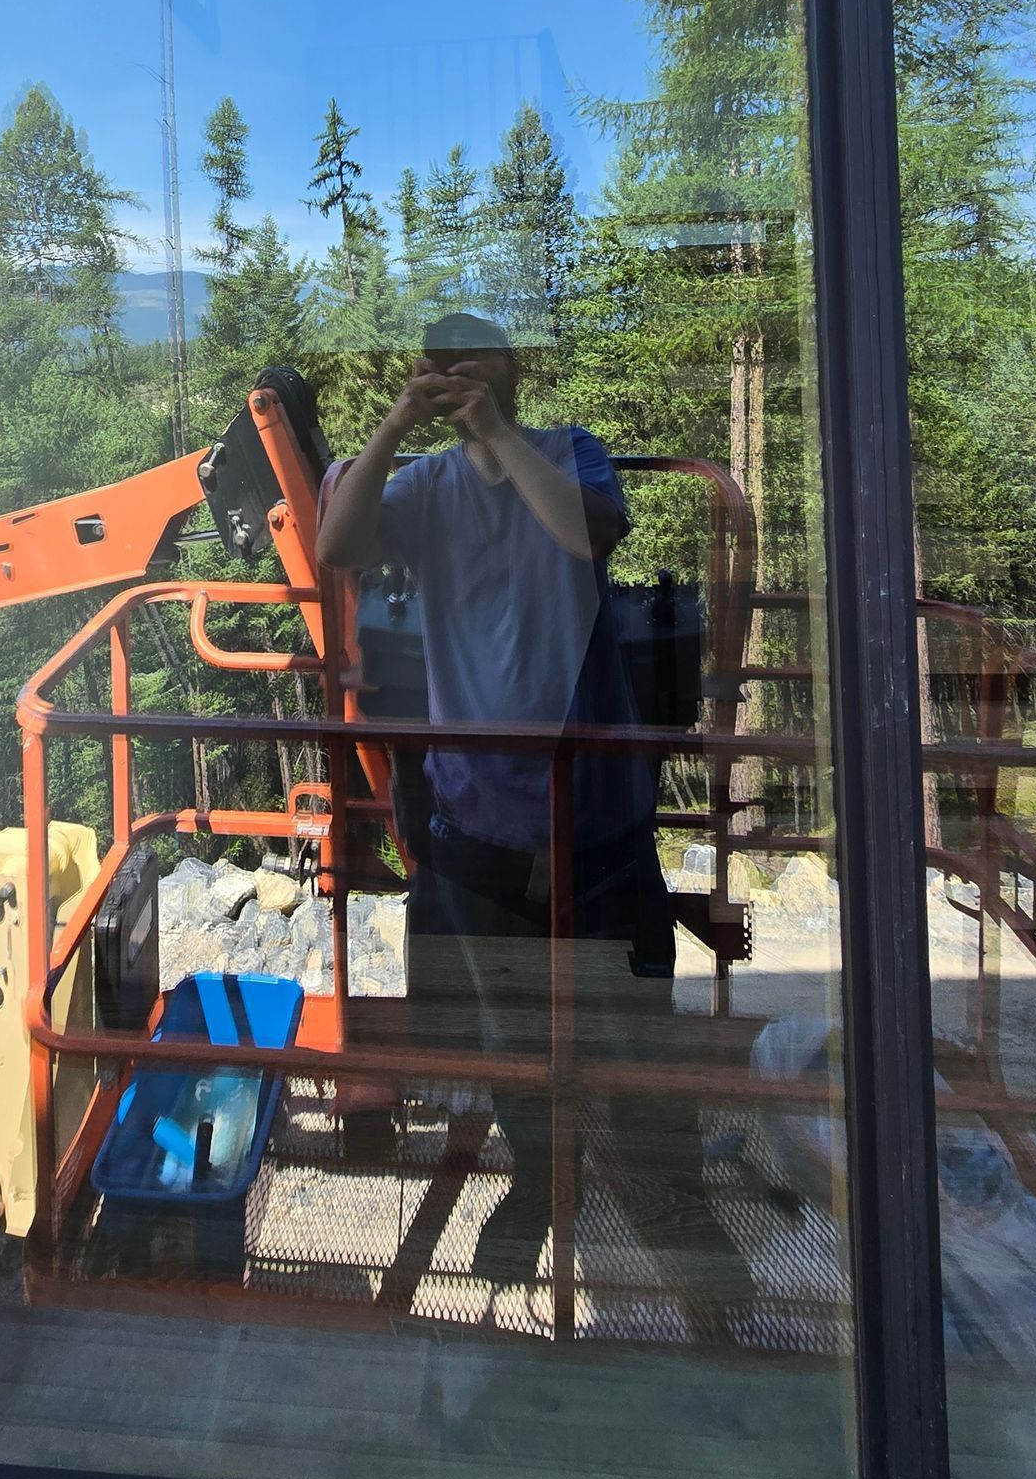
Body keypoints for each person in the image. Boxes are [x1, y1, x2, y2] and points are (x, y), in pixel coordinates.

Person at [318, 314, 755, 1315]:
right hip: (479, 810)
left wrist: (495, 432)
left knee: (639, 1024)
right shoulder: (424, 489)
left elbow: (587, 530)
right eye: (438, 364)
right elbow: (340, 544)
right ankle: (536, 1184)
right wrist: (400, 419)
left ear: (514, 371)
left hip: (597, 808)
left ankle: (676, 1206)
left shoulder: (569, 453)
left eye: (476, 360)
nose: (458, 375)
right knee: (513, 1032)